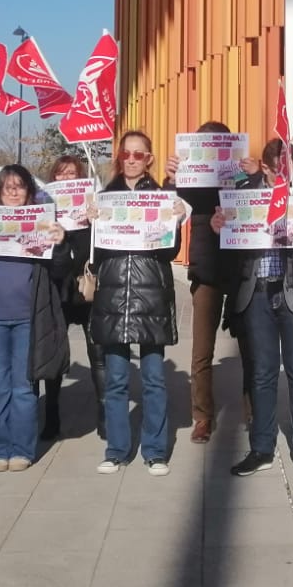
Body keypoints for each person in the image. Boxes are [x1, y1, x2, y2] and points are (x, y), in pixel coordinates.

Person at [218, 139, 293, 478]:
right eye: (276, 172)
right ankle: (261, 448)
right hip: (257, 292)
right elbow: (231, 249)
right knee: (262, 373)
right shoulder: (246, 192)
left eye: (290, 170)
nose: (283, 177)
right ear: (265, 168)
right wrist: (222, 228)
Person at [0, 165, 72, 471]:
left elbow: (60, 272)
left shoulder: (41, 222)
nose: (14, 192)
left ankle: (22, 449)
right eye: (8, 187)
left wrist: (60, 244)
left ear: (29, 192)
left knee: (23, 387)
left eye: (20, 186)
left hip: (28, 319)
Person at [88, 130, 190, 474]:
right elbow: (96, 255)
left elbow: (170, 251)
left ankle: (156, 450)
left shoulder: (162, 197)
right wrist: (92, 225)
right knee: (116, 378)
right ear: (120, 158)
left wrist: (174, 220)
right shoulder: (104, 198)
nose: (132, 160)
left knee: (154, 379)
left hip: (151, 295)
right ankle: (116, 449)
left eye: (139, 155)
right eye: (126, 154)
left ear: (149, 160)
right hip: (113, 295)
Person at [166, 120, 250, 444]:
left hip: (241, 268)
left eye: (218, 145)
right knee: (202, 351)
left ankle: (252, 411)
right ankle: (202, 417)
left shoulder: (239, 175)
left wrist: (249, 173)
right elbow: (172, 200)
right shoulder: (190, 176)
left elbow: (254, 197)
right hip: (206, 270)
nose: (211, 152)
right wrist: (172, 176)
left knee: (250, 347)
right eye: (205, 145)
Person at [40, 153, 99, 440]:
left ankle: (105, 416)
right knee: (54, 357)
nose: (66, 179)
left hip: (87, 292)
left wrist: (93, 221)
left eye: (72, 174)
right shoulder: (44, 212)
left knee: (98, 354)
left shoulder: (91, 214)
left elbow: (98, 252)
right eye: (61, 174)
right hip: (57, 292)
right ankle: (51, 418)